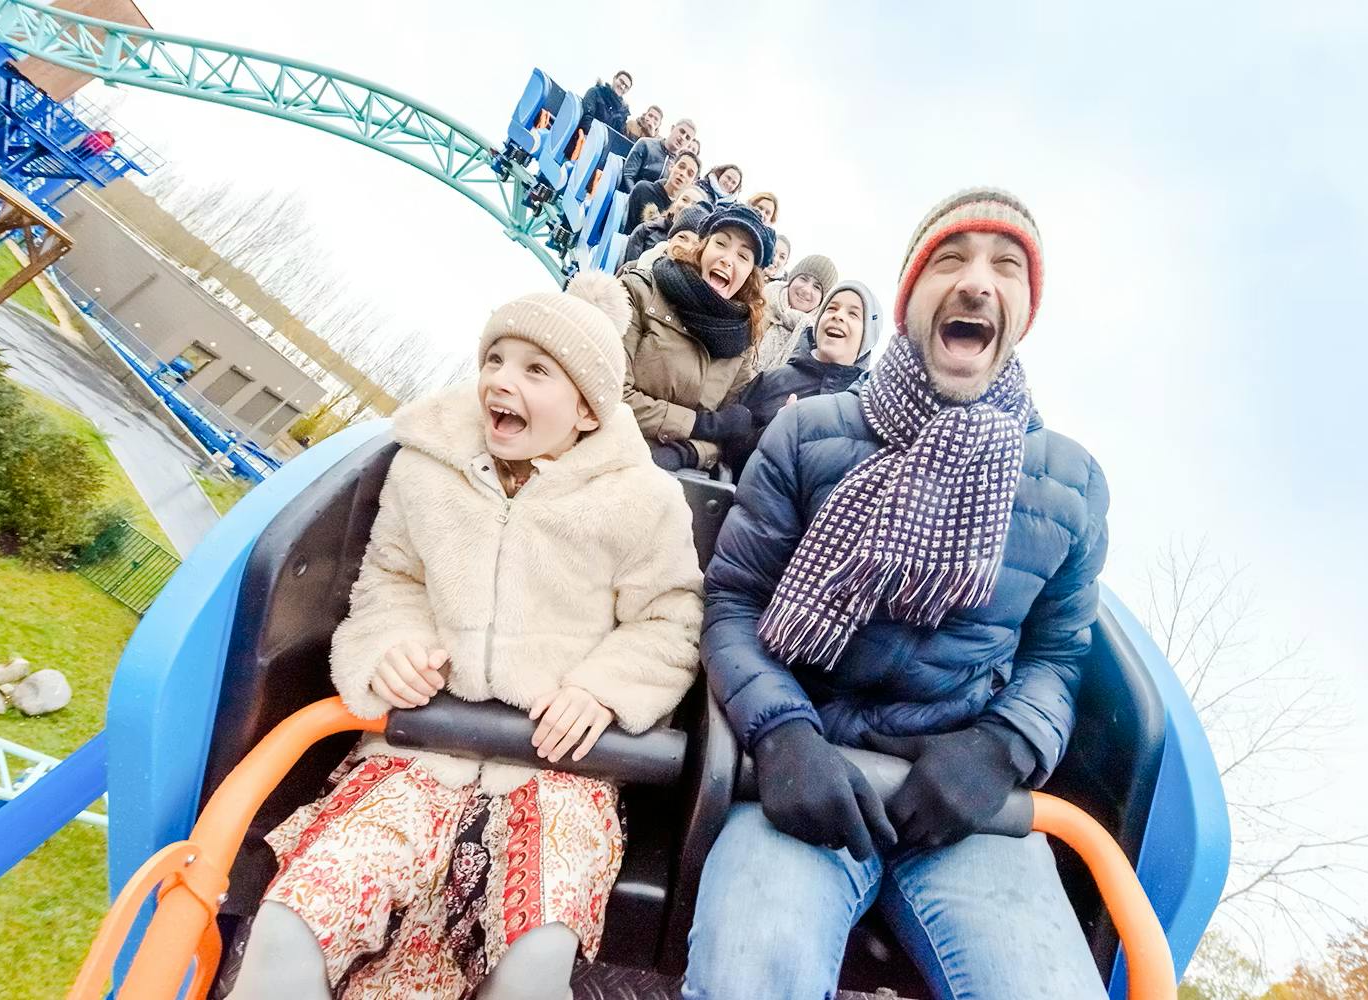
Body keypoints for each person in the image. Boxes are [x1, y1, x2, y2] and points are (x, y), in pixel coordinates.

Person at [227, 273, 705, 1000]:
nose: (500, 381)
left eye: (535, 369)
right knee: (297, 918)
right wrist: (392, 650)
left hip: (555, 772)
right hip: (419, 750)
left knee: (536, 954)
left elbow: (669, 619)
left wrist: (600, 691)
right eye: (494, 359)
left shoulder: (642, 501)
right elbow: (390, 582)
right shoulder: (426, 468)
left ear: (585, 409)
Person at [685, 188, 1111, 1000]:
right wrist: (780, 734)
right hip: (807, 780)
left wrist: (1001, 749)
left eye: (1006, 268)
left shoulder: (1072, 483)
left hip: (964, 810)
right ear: (912, 297)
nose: (978, 282)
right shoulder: (809, 433)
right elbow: (735, 603)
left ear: (1022, 310)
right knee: (750, 970)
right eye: (950, 261)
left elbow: (1058, 657)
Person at [620, 203, 774, 473]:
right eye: (721, 244)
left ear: (749, 275)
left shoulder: (742, 345)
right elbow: (613, 394)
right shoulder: (640, 292)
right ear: (702, 249)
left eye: (743, 256)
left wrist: (688, 452)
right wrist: (697, 426)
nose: (728, 259)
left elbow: (727, 435)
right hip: (612, 454)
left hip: (675, 481)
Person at [723, 279, 881, 478]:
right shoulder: (771, 381)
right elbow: (726, 453)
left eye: (854, 314)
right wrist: (771, 434)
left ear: (868, 337)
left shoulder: (867, 412)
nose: (838, 316)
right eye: (831, 308)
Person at [755, 253, 837, 373]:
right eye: (803, 279)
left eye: (817, 287)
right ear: (792, 280)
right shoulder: (758, 301)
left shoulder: (816, 341)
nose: (806, 290)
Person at [623, 151, 701, 233]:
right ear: (671, 166)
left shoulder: (684, 210)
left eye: (690, 174)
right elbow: (626, 226)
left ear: (692, 183)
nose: (683, 174)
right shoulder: (643, 189)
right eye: (681, 167)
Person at [624, 202, 710, 272]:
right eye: (682, 238)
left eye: (696, 244)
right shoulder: (632, 269)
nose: (686, 247)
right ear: (670, 239)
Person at [621, 119, 696, 191]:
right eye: (682, 131)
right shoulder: (645, 144)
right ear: (672, 128)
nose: (683, 138)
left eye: (687, 137)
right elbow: (628, 175)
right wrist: (635, 198)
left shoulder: (678, 165)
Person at [578, 70, 632, 137]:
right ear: (614, 78)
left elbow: (618, 137)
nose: (622, 87)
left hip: (604, 146)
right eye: (621, 81)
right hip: (584, 139)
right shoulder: (596, 92)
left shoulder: (622, 113)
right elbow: (587, 117)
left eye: (626, 87)